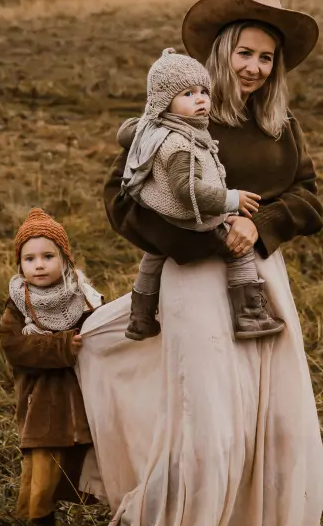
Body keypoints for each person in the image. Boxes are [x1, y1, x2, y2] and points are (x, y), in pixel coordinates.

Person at [76, 0, 323, 526]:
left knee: (273, 415)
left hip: (260, 281)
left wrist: (260, 225)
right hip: (193, 279)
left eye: (266, 58)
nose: (253, 68)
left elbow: (310, 198)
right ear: (221, 51)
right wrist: (210, 240)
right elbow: (121, 199)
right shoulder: (176, 115)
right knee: (210, 415)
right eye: (244, 52)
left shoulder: (281, 124)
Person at [117, 45, 284, 343]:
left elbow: (130, 131)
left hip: (167, 217)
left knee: (152, 258)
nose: (200, 100)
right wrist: (231, 200)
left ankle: (140, 318)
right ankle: (250, 314)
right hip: (191, 218)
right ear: (164, 103)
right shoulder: (180, 143)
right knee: (238, 252)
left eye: (202, 92)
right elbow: (188, 192)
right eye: (188, 94)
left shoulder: (157, 130)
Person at [0, 208, 103, 526]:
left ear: (65, 259)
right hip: (40, 397)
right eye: (29, 259)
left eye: (48, 256)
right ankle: (40, 517)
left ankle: (110, 504)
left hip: (81, 393)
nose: (39, 264)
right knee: (44, 456)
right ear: (20, 265)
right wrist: (61, 347)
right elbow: (13, 346)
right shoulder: (19, 303)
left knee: (90, 448)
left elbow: (101, 330)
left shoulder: (82, 298)